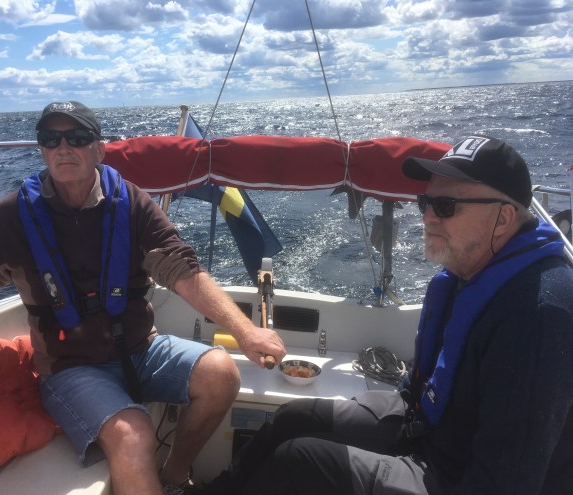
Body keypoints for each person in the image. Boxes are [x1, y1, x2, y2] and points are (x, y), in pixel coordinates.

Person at [0, 101, 286, 495]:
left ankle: (175, 474)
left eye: (76, 138)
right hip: (69, 367)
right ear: (42, 150)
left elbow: (182, 270)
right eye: (50, 139)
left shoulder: (132, 203)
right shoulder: (14, 216)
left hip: (141, 349)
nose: (62, 147)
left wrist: (245, 331)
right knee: (132, 434)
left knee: (221, 373)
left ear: (99, 150)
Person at [201, 136, 573, 495]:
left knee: (297, 462)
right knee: (291, 419)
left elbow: (506, 481)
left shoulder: (538, 314)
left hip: (452, 476)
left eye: (446, 206)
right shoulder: (470, 274)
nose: (428, 217)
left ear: (504, 218)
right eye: (425, 202)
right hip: (423, 424)